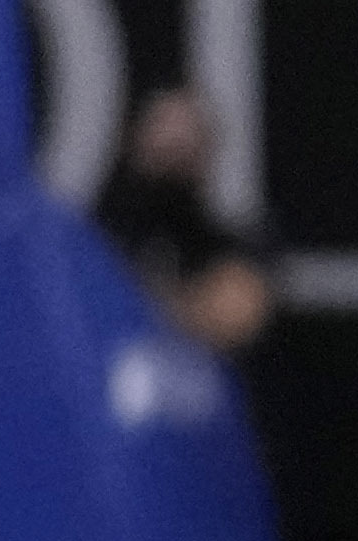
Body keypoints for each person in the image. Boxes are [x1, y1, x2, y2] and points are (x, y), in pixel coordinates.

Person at [97, 85, 274, 366]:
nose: (174, 152)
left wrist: (147, 306)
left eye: (186, 142)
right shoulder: (97, 236)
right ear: (132, 138)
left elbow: (236, 313)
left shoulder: (226, 242)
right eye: (164, 138)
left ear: (208, 151)